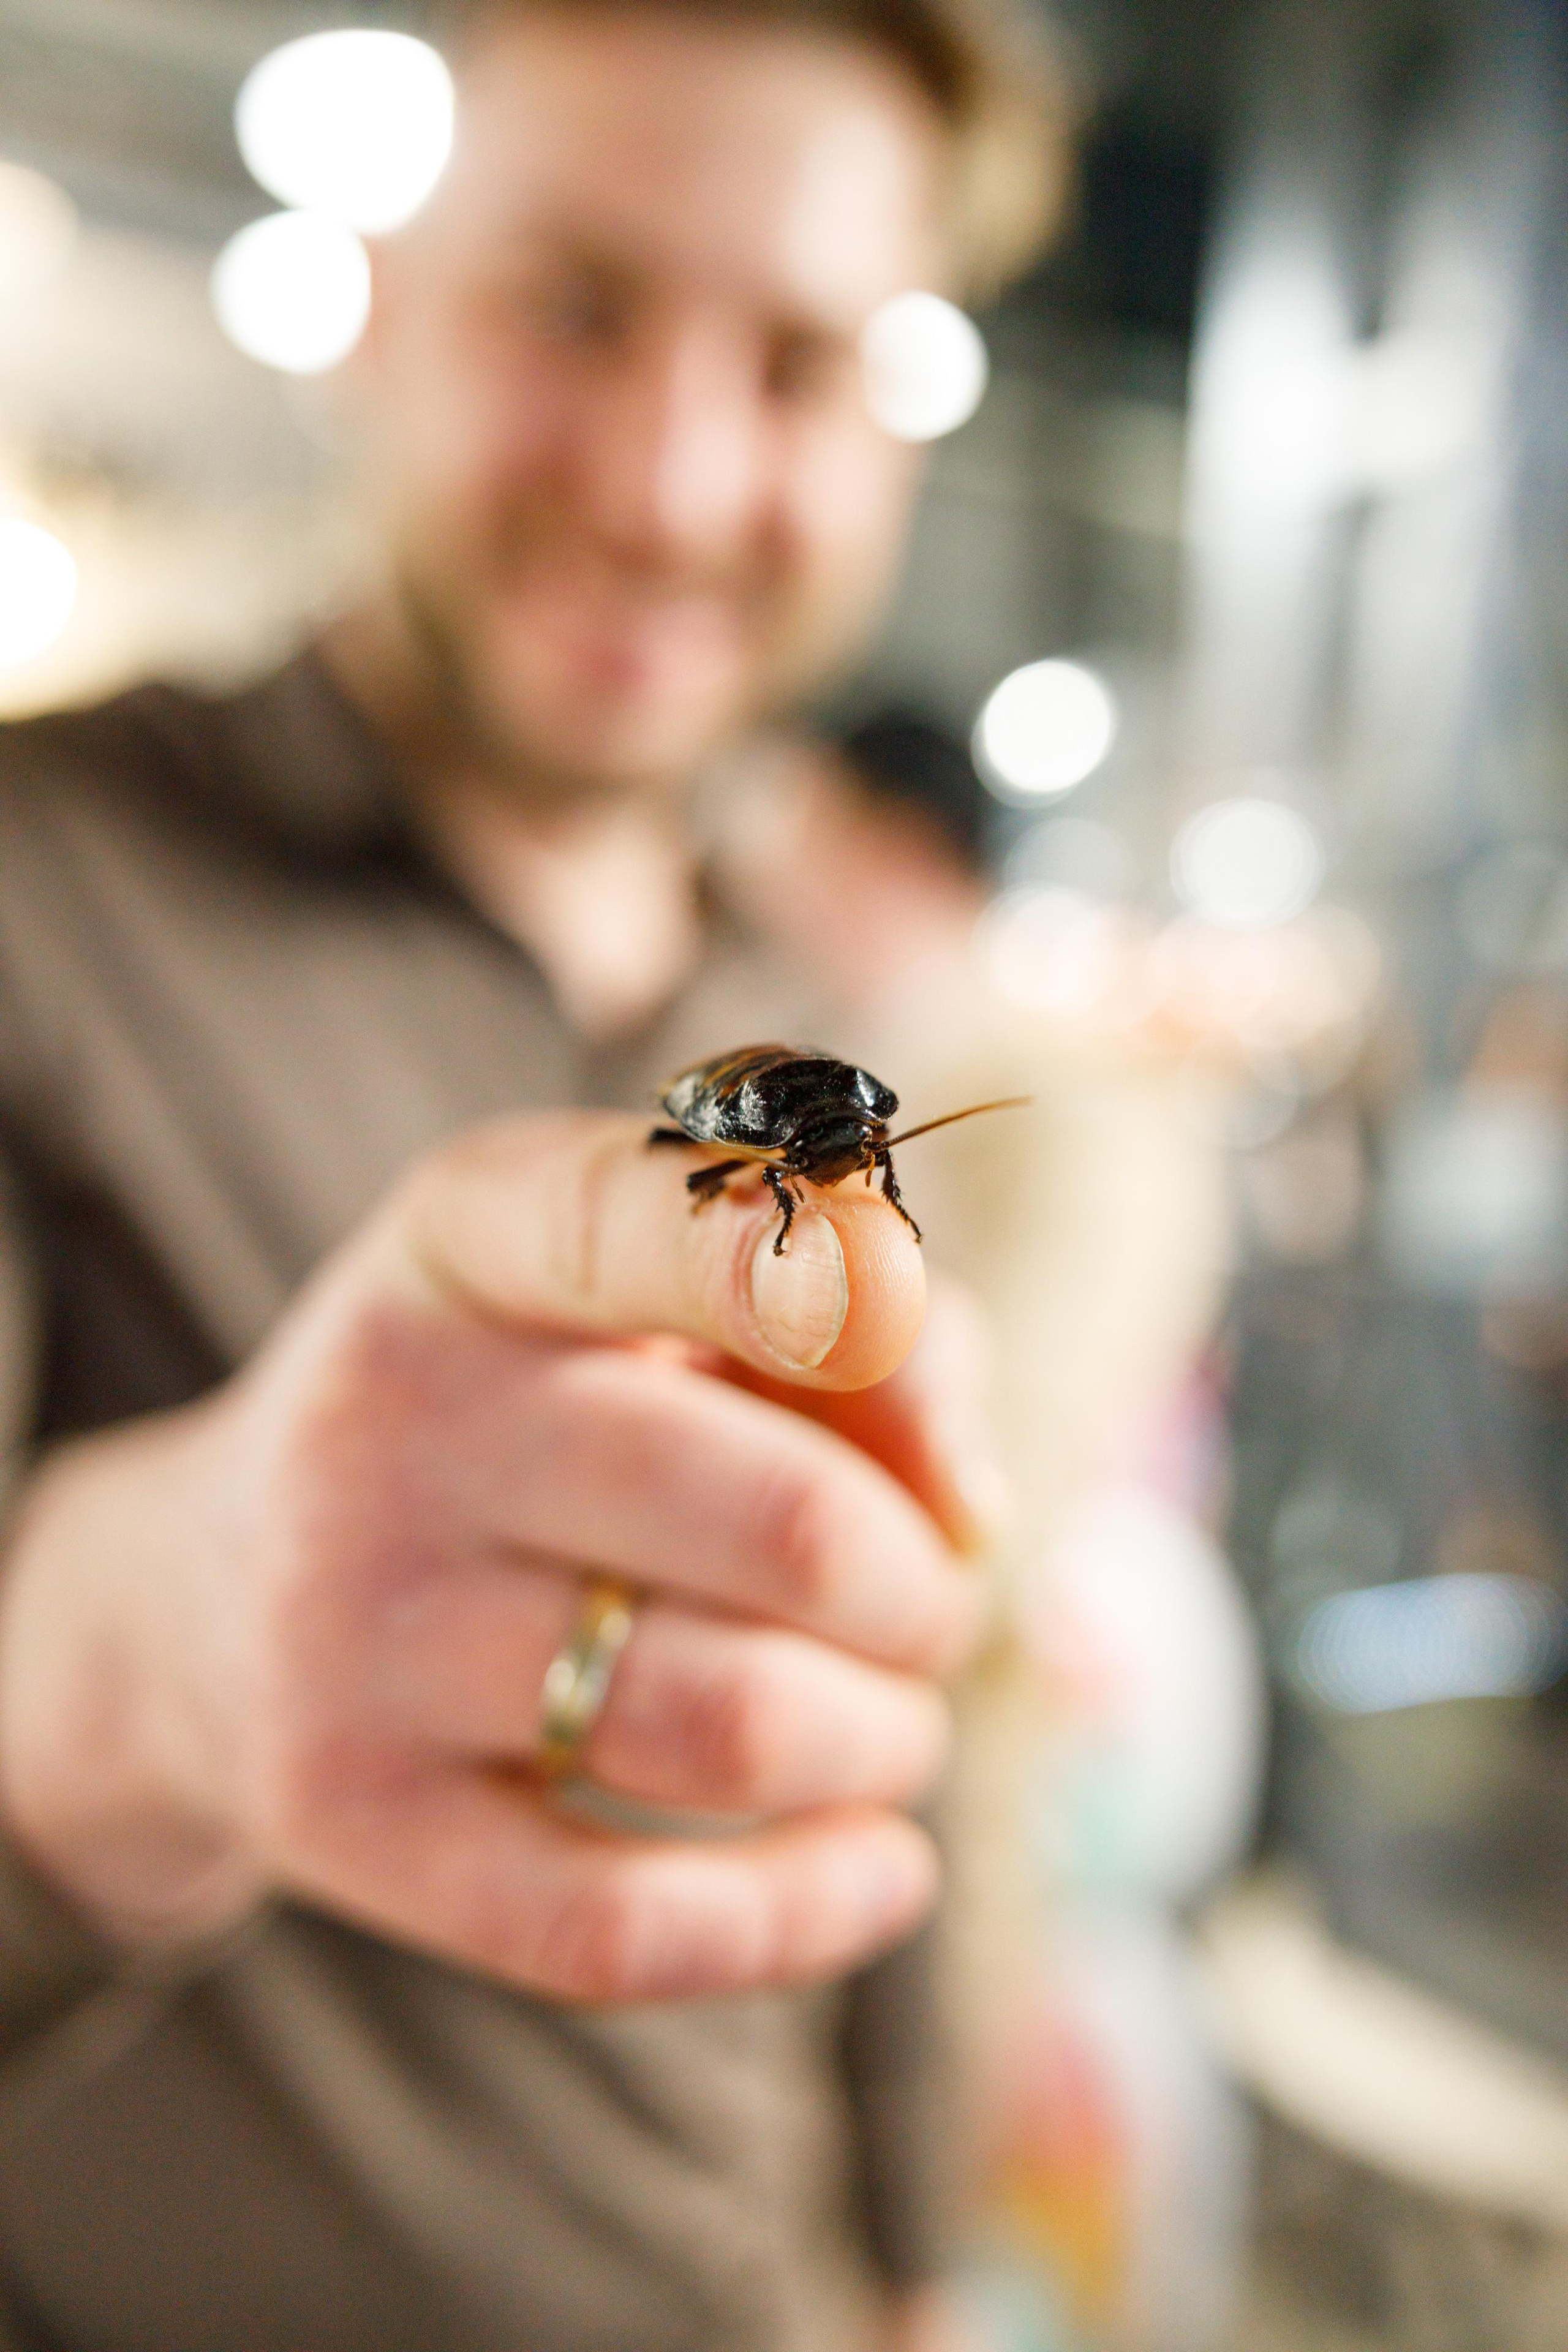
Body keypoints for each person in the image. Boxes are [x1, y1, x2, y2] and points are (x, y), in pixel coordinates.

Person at [0, 3, 1066, 2348]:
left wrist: (916, 2261)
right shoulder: (37, 883)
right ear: (375, 306)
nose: (672, 483)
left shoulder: (812, 1000)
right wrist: (153, 1665)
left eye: (797, 363)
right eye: (577, 305)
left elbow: (905, 1694)